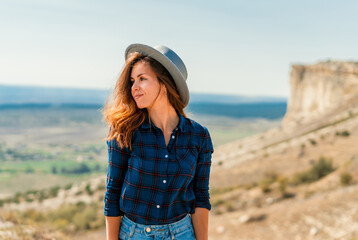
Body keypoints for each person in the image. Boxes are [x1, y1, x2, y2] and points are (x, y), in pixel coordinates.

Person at [102, 43, 214, 240]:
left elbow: (201, 198)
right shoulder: (125, 131)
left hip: (182, 234)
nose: (134, 87)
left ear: (165, 84)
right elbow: (112, 194)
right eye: (132, 81)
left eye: (142, 79)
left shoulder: (198, 135)